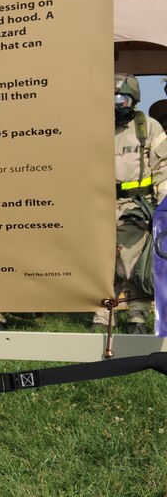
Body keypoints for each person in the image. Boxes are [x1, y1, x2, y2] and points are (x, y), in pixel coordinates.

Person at [90, 73, 167, 334]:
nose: (115, 103)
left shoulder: (148, 128)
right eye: (110, 98)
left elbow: (163, 167)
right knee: (101, 263)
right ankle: (101, 317)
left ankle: (137, 318)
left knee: (135, 265)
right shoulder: (96, 127)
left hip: (136, 205)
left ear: (132, 100)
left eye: (120, 98)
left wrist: (161, 208)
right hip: (100, 205)